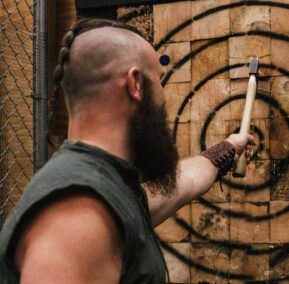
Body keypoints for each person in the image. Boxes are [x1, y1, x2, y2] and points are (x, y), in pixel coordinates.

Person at [0, 18, 255, 283]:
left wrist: (227, 150)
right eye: (158, 80)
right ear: (135, 84)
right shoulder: (78, 213)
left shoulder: (108, 185)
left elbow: (182, 184)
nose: (163, 97)